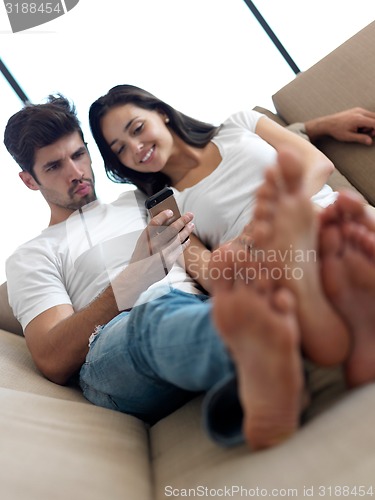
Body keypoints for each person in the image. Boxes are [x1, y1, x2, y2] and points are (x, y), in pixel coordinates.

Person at [3, 95, 306, 451]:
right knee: (154, 314)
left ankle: (246, 374)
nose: (76, 172)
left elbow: (210, 161)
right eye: (54, 167)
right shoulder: (33, 255)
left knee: (192, 306)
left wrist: (309, 128)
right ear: (29, 180)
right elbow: (53, 358)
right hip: (116, 349)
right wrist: (135, 277)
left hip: (197, 307)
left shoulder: (141, 198)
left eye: (78, 155)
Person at [88, 85, 353, 368]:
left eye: (137, 129)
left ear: (161, 113)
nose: (135, 148)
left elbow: (317, 163)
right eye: (120, 149)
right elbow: (212, 277)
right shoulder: (167, 207)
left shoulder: (240, 124)